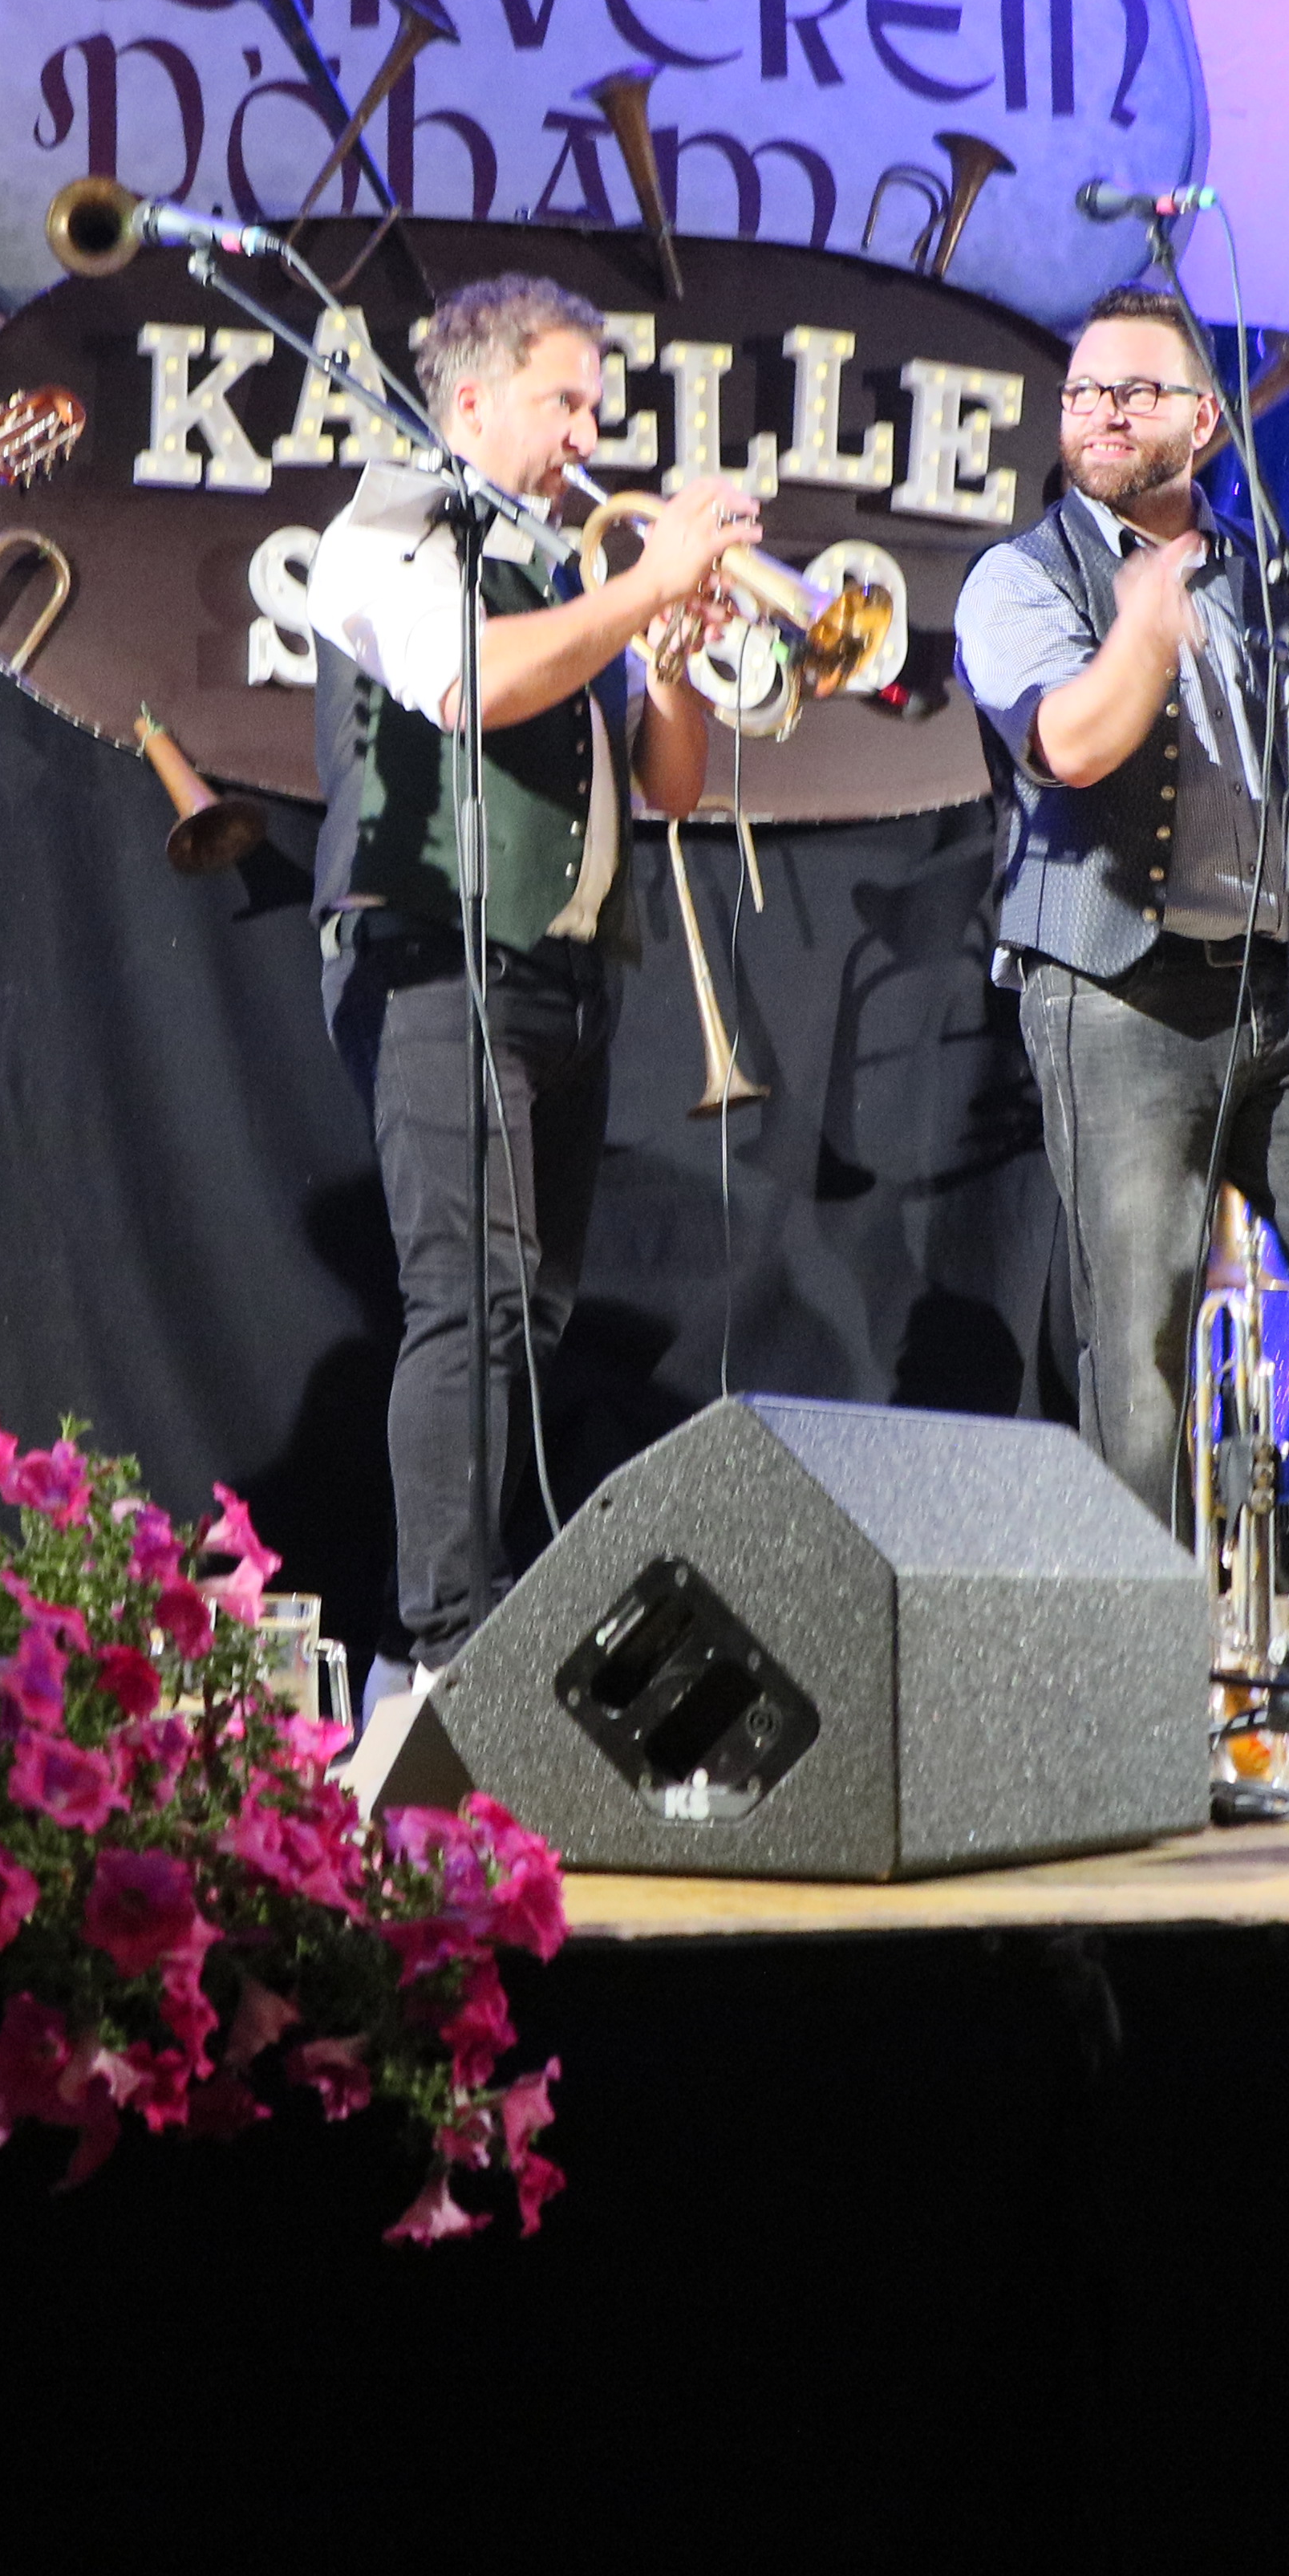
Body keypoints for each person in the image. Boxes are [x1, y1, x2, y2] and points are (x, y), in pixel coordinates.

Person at [959, 283, 1289, 1688]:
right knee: (1138, 1343)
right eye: (1083, 393)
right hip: (1115, 995)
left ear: (1204, 422)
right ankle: (1132, 1666)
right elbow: (1071, 744)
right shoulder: (1020, 579)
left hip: (1277, 991)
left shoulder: (1264, 580)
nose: (1099, 415)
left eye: (1132, 392)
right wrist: (1144, 623)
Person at [303, 275, 747, 1712]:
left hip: (564, 970)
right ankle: (444, 1647)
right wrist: (643, 590)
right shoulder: (387, 531)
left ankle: (462, 1622)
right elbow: (464, 687)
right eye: (566, 402)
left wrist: (672, 662)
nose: (588, 437)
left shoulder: (565, 570)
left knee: (532, 1314)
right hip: (434, 956)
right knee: (469, 1299)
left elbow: (670, 786)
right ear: (474, 398)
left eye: (594, 408)